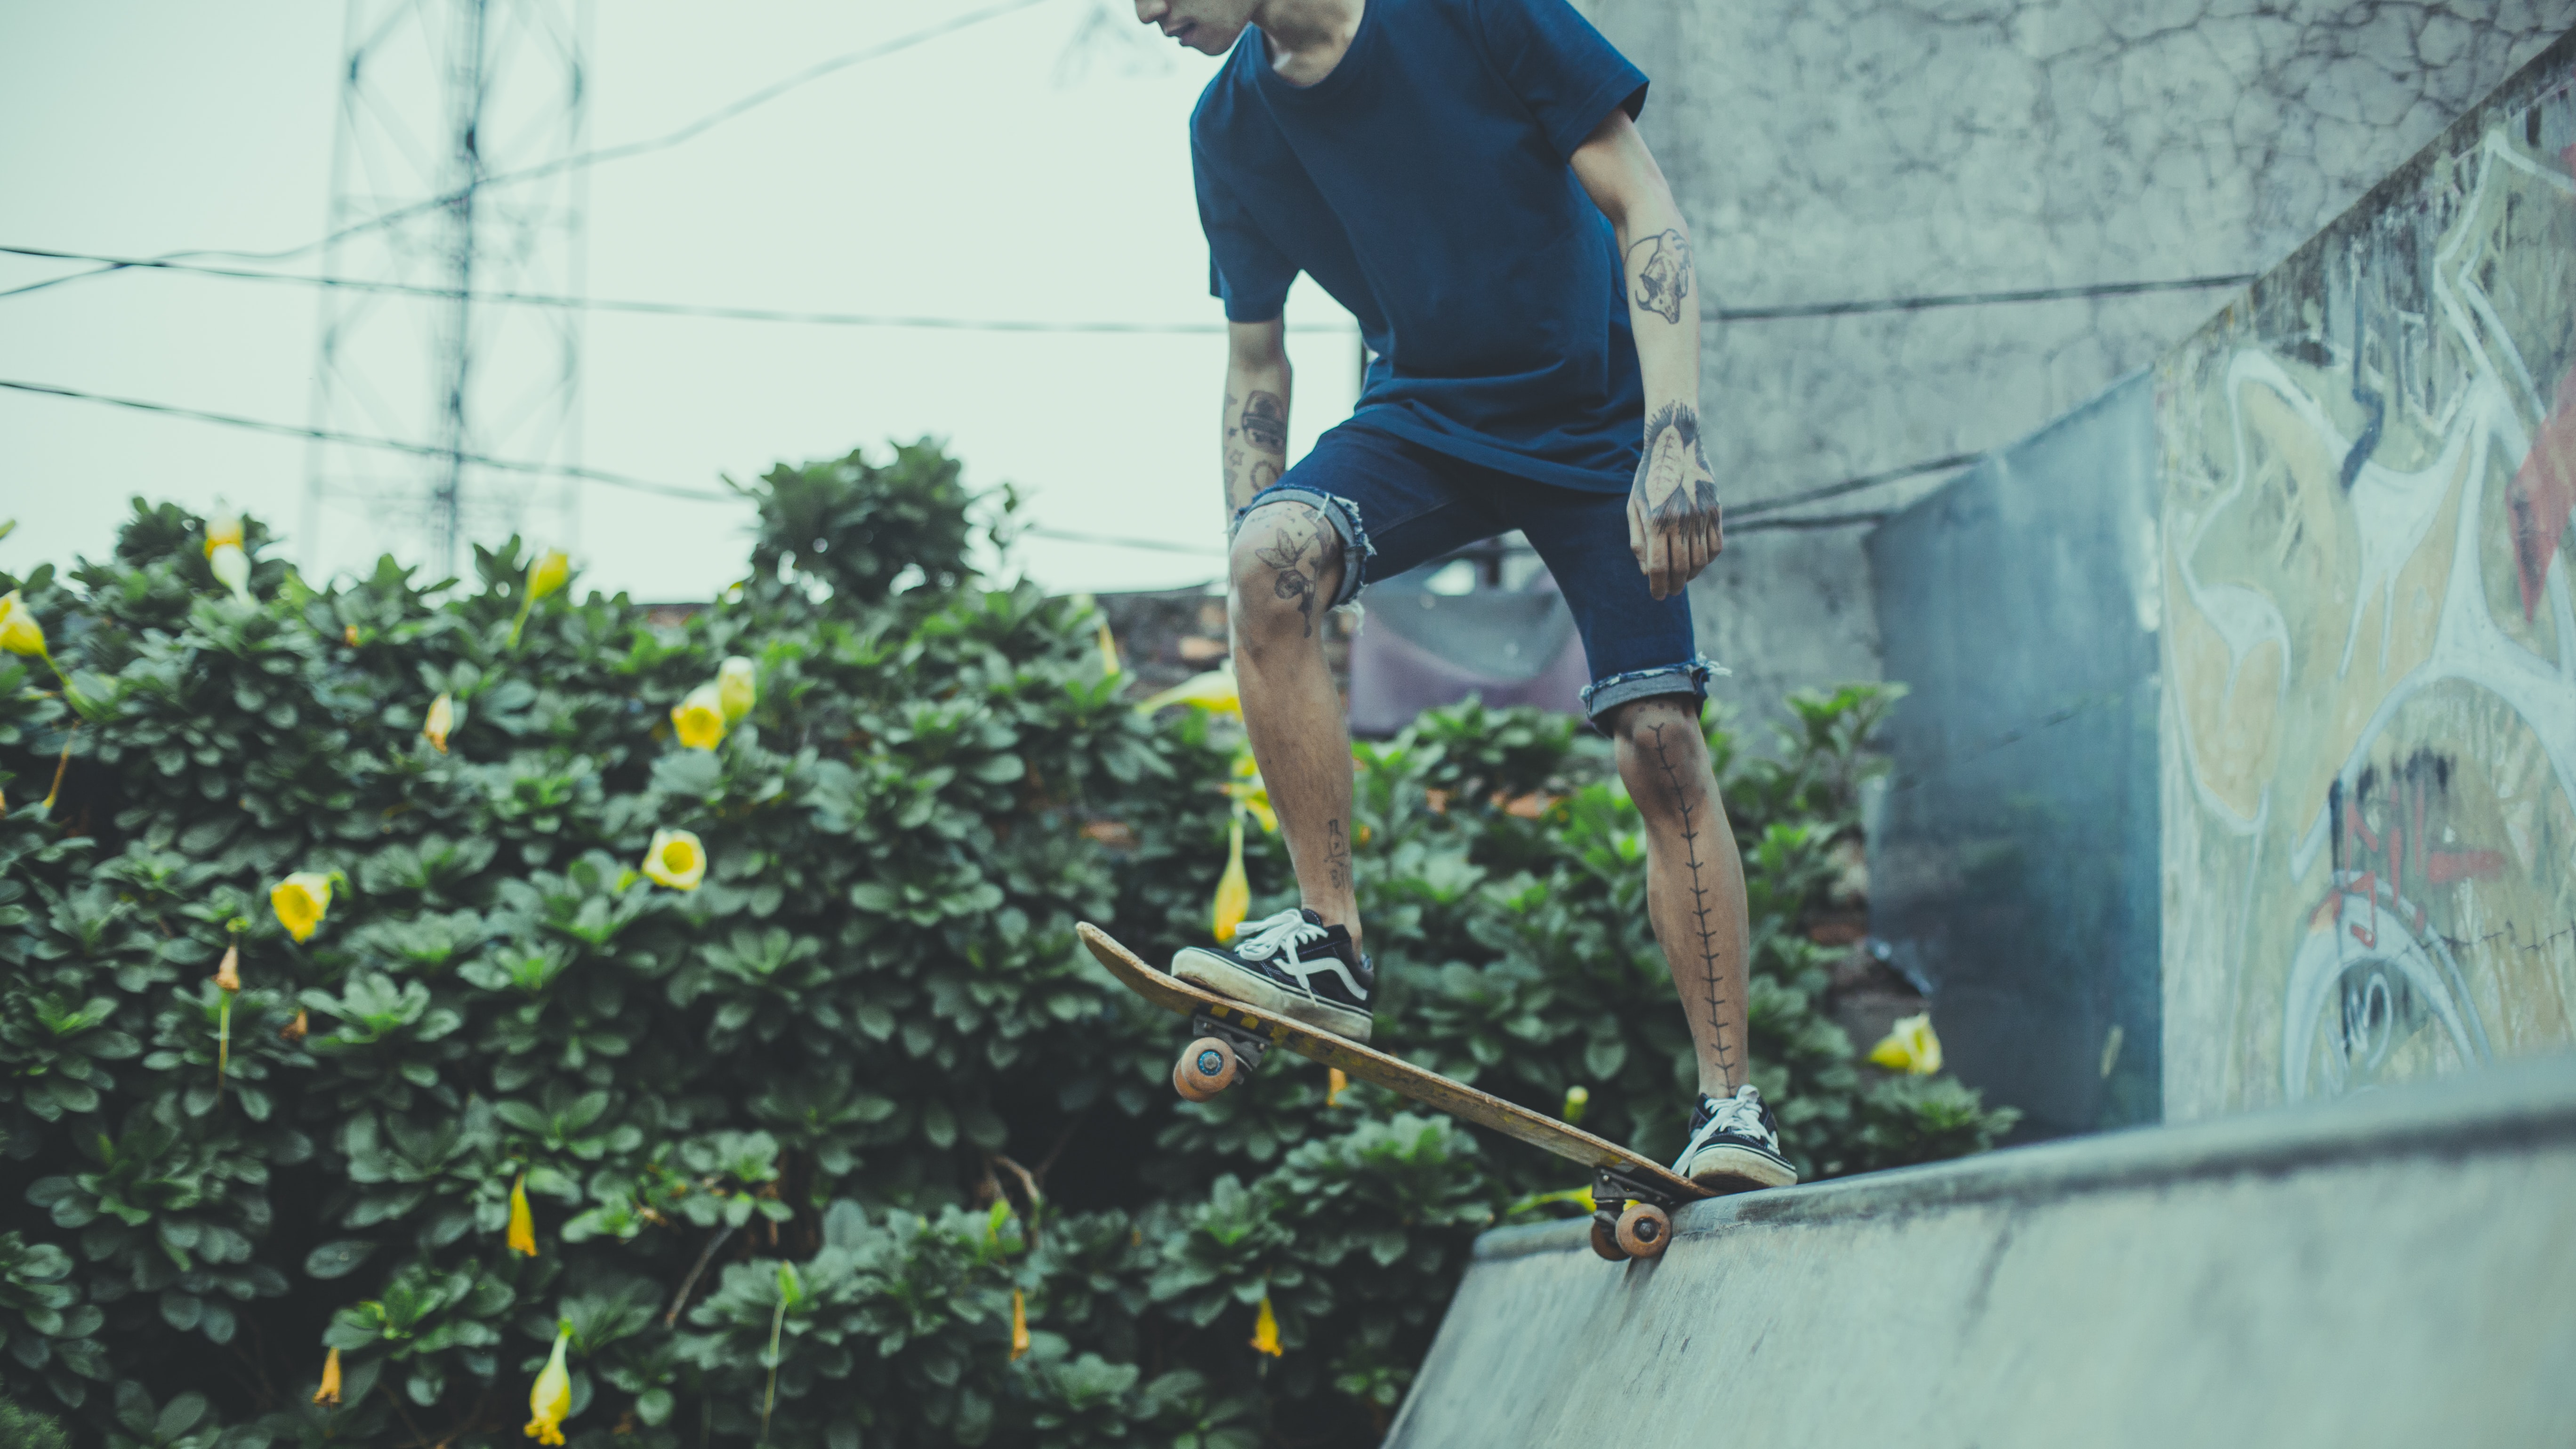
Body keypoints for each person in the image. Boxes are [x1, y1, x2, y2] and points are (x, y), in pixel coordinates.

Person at [1140, 0, 1795, 1192]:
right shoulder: (1230, 125)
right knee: (1266, 565)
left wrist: (1675, 434)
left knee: (1660, 742)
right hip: (1428, 420)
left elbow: (1642, 200)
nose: (1144, 12)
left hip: (1599, 418)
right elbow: (1255, 358)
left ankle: (1730, 1112)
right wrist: (1257, 567)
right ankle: (1330, 941)